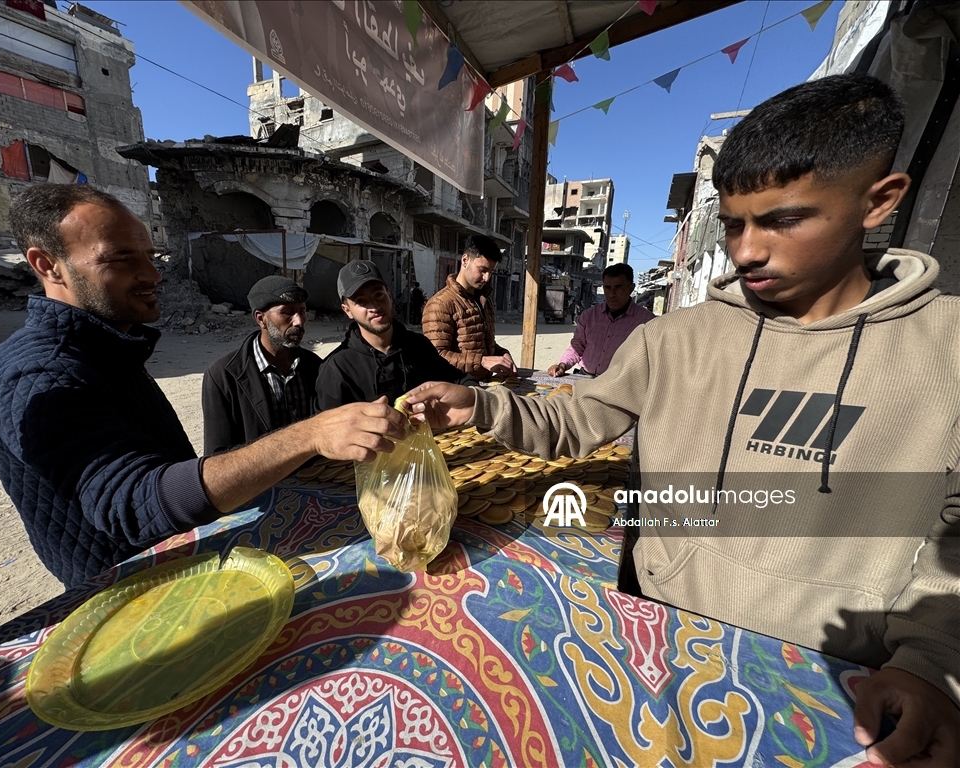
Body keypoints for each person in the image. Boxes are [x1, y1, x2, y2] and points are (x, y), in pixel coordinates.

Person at [407, 75, 959, 766]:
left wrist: (933, 662)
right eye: (733, 224)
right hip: (657, 636)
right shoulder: (672, 340)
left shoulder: (947, 352)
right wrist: (481, 406)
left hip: (834, 679)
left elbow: (954, 541)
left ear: (879, 200)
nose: (748, 249)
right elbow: (577, 420)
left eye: (782, 219)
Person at [0, 185, 406, 588]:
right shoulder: (37, 375)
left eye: (149, 255)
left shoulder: (105, 351)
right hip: (131, 596)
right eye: (121, 259)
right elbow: (136, 503)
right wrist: (311, 434)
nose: (151, 274)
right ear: (48, 265)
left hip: (182, 567)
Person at [316, 260, 476, 410]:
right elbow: (328, 431)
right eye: (361, 301)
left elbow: (457, 380)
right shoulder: (336, 369)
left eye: (378, 295)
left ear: (389, 295)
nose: (374, 306)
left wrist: (476, 394)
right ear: (347, 310)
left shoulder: (418, 346)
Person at [202, 276, 320, 456]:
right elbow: (218, 456)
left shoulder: (315, 366)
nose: (299, 321)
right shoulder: (223, 377)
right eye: (287, 312)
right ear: (261, 318)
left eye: (302, 311)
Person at [422, 235, 516, 380]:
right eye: (482, 270)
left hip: (482, 385)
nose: (486, 278)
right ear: (465, 260)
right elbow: (435, 356)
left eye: (490, 272)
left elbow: (480, 343)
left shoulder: (484, 299)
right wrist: (482, 361)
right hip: (455, 389)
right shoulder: (440, 304)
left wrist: (502, 353)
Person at [548, 264, 654, 377]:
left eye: (618, 287)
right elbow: (578, 346)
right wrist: (563, 365)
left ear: (631, 288)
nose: (612, 294)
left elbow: (651, 359)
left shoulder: (647, 322)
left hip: (619, 385)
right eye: (607, 288)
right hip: (585, 378)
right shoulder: (589, 316)